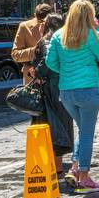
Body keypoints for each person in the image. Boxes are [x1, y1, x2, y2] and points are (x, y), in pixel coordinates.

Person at [45, 0, 99, 195]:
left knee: (82, 130)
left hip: (66, 92)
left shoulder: (58, 36)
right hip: (88, 89)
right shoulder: (93, 35)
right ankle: (84, 176)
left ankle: (74, 168)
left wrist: (67, 73)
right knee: (88, 133)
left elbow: (50, 63)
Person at [31, 13, 72, 178]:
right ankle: (58, 167)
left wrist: (38, 72)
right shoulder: (65, 40)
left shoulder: (47, 41)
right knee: (60, 127)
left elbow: (46, 64)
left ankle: (52, 168)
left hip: (49, 90)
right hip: (64, 88)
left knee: (50, 128)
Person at [12, 3, 54, 81]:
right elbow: (15, 54)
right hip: (32, 79)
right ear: (35, 15)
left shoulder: (56, 27)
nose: (43, 24)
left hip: (52, 77)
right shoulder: (24, 27)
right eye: (40, 21)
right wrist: (34, 51)